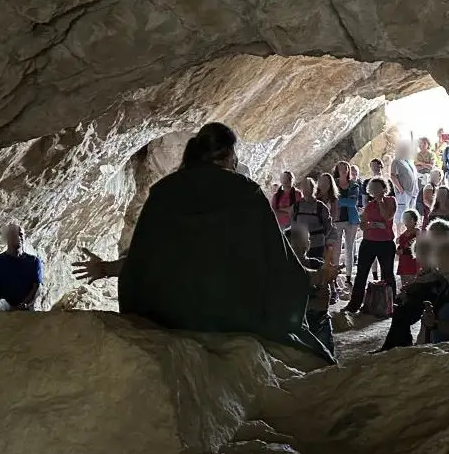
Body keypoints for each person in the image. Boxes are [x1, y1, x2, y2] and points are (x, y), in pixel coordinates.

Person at [118, 122, 335, 363]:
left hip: (167, 310)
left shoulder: (164, 190)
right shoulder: (245, 191)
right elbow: (274, 258)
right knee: (319, 357)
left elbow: (145, 254)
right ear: (229, 153)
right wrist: (311, 278)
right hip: (229, 312)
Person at [377, 219, 449, 351]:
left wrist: (415, 284)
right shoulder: (436, 250)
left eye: (435, 235)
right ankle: (398, 342)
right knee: (401, 304)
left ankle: (396, 344)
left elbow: (440, 276)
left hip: (441, 293)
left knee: (405, 308)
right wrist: (414, 284)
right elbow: (425, 273)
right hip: (431, 289)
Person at [343, 177, 397, 313]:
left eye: (377, 188)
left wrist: (380, 201)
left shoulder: (391, 201)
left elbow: (387, 216)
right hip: (369, 241)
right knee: (361, 274)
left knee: (387, 274)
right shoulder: (369, 205)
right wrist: (368, 225)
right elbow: (362, 224)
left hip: (385, 242)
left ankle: (390, 304)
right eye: (372, 188)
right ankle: (354, 304)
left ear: (384, 189)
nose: (374, 191)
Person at [286, 226, 334, 355]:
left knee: (325, 360)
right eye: (297, 241)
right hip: (297, 324)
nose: (305, 244)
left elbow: (325, 297)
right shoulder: (285, 270)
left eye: (306, 240)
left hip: (319, 320)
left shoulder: (316, 264)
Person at [0, 223, 44, 311]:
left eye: (20, 234)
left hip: (25, 310)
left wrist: (23, 305)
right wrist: (0, 305)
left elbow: (36, 288)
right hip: (0, 311)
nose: (18, 237)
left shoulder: (34, 261)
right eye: (14, 234)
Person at [291, 177, 334, 263]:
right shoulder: (296, 206)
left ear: (313, 189)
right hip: (300, 245)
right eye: (304, 188)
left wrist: (323, 237)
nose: (306, 190)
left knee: (317, 267)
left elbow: (328, 225)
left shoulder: (320, 207)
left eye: (308, 188)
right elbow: (292, 223)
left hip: (317, 244)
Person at [333, 161, 361, 286]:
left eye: (346, 168)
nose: (344, 170)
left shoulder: (353, 184)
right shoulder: (333, 184)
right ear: (337, 170)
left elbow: (352, 203)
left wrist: (338, 201)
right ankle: (334, 275)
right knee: (336, 249)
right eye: (341, 168)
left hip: (351, 220)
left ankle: (348, 276)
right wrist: (343, 201)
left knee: (350, 248)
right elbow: (331, 200)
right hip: (337, 220)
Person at [390, 141, 419, 235]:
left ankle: (409, 234)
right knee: (402, 215)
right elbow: (393, 175)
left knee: (411, 214)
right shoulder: (396, 161)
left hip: (412, 192)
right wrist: (400, 189)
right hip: (404, 192)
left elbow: (414, 176)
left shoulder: (409, 161)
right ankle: (399, 235)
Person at [396, 209, 421, 286]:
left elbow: (418, 246)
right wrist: (398, 250)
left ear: (413, 220)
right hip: (403, 261)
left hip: (412, 262)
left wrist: (404, 251)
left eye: (407, 218)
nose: (404, 220)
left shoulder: (417, 232)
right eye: (404, 218)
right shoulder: (403, 233)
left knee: (412, 283)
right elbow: (400, 245)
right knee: (404, 284)